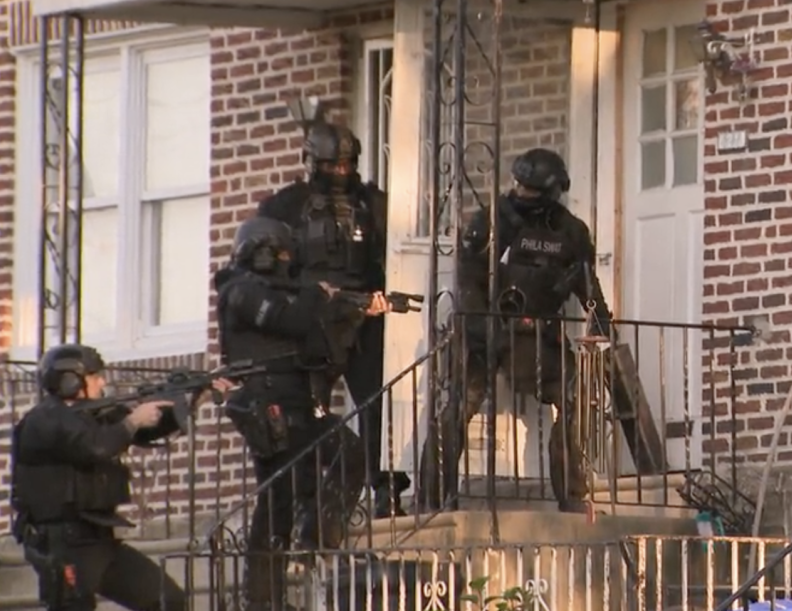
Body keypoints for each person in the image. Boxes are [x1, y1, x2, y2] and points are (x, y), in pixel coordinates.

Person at [417, 147, 614, 514]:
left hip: (536, 336)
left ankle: (572, 494)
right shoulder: (491, 223)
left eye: (532, 191)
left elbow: (588, 287)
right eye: (521, 187)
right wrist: (480, 329)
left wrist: (603, 325)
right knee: (457, 407)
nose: (523, 196)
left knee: (578, 394)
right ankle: (433, 500)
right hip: (485, 331)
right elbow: (468, 280)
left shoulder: (570, 231)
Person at [216, 215, 376, 610]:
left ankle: (318, 536)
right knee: (278, 501)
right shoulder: (240, 292)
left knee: (350, 453)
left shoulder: (289, 291)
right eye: (283, 253)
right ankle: (263, 600)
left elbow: (315, 332)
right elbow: (295, 319)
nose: (289, 259)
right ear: (264, 252)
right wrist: (319, 296)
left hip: (300, 403)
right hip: (266, 406)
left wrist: (356, 308)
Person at [256, 118, 411, 518]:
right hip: (314, 324)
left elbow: (394, 258)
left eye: (347, 164)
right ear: (313, 162)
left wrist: (381, 298)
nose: (341, 173)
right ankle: (307, 504)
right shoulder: (285, 206)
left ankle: (385, 491)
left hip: (364, 319)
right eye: (333, 165)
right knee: (307, 417)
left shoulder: (374, 203)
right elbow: (267, 267)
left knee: (379, 407)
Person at [10, 343, 232, 611]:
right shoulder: (43, 420)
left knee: (165, 599)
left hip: (98, 537)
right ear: (69, 381)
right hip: (61, 541)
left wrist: (196, 397)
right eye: (95, 377)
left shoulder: (95, 413)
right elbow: (94, 446)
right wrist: (132, 421)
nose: (102, 382)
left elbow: (145, 430)